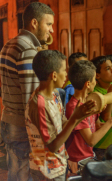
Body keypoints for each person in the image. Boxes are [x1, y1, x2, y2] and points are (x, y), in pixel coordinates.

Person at [25, 50, 112, 180]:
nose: (66, 75)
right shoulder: (39, 104)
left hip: (59, 164)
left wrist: (84, 115)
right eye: (64, 70)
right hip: (46, 170)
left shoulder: (54, 94)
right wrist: (76, 117)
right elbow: (52, 146)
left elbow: (63, 125)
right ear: (54, 75)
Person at [0, 2, 54, 180]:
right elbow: (31, 100)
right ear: (34, 23)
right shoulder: (28, 50)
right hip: (23, 127)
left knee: (15, 172)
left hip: (10, 119)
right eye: (49, 24)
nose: (52, 30)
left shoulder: (10, 44)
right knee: (24, 175)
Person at [65, 60, 112, 173]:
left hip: (88, 158)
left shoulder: (88, 102)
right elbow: (91, 140)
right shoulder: (75, 107)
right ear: (88, 84)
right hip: (77, 162)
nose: (96, 82)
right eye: (94, 79)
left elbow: (98, 126)